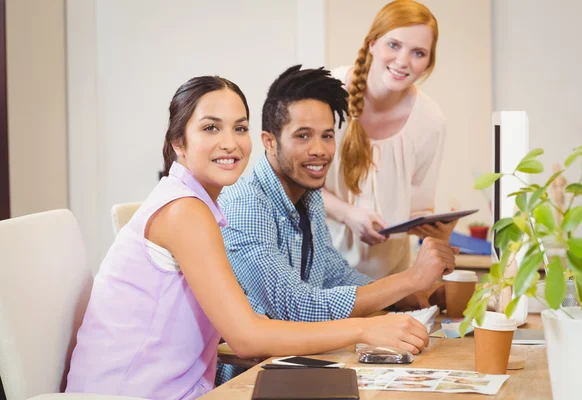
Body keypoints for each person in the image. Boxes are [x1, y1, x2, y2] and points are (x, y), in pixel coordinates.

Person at [65, 75, 437, 400]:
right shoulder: (185, 212)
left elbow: (324, 282)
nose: (230, 143)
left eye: (238, 128)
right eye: (211, 128)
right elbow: (246, 336)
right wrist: (368, 328)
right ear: (179, 142)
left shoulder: (200, 205)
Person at [216, 65, 458, 384]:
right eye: (303, 136)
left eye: (327, 136)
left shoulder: (309, 197)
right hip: (249, 382)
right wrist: (410, 279)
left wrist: (406, 295)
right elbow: (296, 306)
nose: (320, 150)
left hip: (303, 370)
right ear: (270, 142)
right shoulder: (246, 206)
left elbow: (334, 276)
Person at [323, 0, 456, 280]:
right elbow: (291, 182)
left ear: (428, 63)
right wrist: (348, 214)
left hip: (390, 282)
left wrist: (437, 231)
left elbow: (418, 209)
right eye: (393, 45)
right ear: (372, 43)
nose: (403, 61)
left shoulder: (431, 121)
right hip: (319, 276)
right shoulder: (324, 93)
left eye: (418, 53)